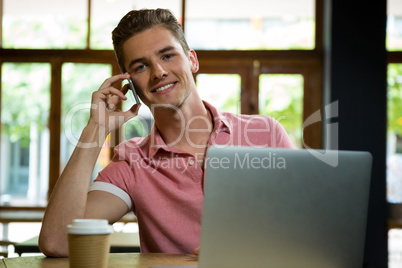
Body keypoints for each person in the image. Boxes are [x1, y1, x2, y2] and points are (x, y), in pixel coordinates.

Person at [38, 8, 294, 257]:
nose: (158, 72)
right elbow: (57, 242)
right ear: (131, 86)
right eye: (140, 67)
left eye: (167, 55)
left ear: (192, 60)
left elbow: (310, 226)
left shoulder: (265, 133)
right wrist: (96, 129)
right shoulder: (131, 162)